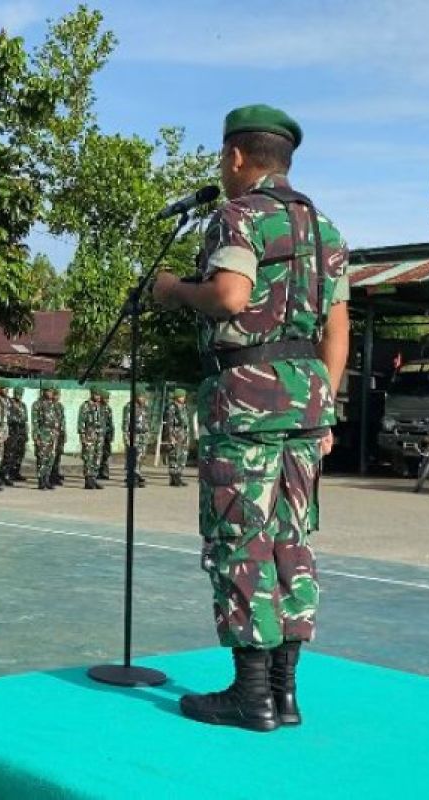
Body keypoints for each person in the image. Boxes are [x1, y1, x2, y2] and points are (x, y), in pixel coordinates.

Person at [152, 104, 350, 732]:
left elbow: (230, 297)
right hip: (306, 406)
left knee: (241, 539)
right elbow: (337, 331)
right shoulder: (328, 233)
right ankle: (286, 693)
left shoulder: (238, 215)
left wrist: (174, 291)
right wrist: (323, 409)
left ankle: (250, 694)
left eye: (221, 158)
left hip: (245, 401)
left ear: (236, 158)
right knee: (291, 540)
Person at [78, 387, 107, 490]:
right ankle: (88, 479)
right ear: (92, 394)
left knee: (97, 457)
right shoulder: (85, 406)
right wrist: (82, 435)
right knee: (88, 457)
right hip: (89, 434)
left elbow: (103, 421)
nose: (98, 397)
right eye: (96, 395)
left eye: (99, 395)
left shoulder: (101, 406)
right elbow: (81, 421)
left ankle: (94, 478)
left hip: (99, 435)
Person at [31, 383, 59, 491]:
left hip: (53, 434)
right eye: (48, 391)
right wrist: (36, 436)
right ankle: (41, 480)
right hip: (43, 433)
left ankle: (47, 479)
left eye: (52, 391)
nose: (50, 393)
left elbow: (58, 419)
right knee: (42, 458)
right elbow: (35, 421)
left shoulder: (54, 405)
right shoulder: (37, 404)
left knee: (51, 458)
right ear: (43, 392)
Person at [162, 389, 192, 487]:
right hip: (175, 434)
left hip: (184, 435)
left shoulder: (184, 407)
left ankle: (179, 475)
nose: (183, 398)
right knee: (174, 456)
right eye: (181, 396)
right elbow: (169, 423)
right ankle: (174, 477)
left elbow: (186, 421)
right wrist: (170, 437)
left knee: (183, 456)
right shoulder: (171, 407)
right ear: (177, 397)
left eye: (184, 396)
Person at [3, 384, 29, 484]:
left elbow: (25, 419)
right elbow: (9, 418)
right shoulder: (10, 403)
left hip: (21, 433)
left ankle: (16, 472)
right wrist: (18, 420)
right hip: (12, 432)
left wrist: (26, 434)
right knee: (9, 454)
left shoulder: (23, 405)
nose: (19, 395)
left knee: (20, 453)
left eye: (20, 394)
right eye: (17, 393)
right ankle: (6, 473)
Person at [122, 395, 149, 488]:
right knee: (133, 456)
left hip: (143, 435)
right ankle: (132, 478)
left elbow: (146, 421)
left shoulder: (145, 407)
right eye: (141, 396)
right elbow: (126, 422)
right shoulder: (129, 407)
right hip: (134, 434)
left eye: (144, 397)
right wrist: (126, 436)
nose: (143, 399)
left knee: (141, 456)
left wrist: (147, 433)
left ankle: (137, 475)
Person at [50, 385, 67, 486]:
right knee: (51, 455)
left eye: (58, 395)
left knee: (58, 455)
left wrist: (64, 433)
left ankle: (55, 473)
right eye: (55, 394)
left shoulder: (60, 406)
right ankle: (51, 475)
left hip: (60, 433)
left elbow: (63, 420)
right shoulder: (50, 406)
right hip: (52, 434)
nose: (57, 397)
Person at [98, 387, 115, 480]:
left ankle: (104, 472)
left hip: (106, 435)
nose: (107, 400)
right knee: (97, 454)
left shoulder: (108, 409)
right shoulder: (96, 408)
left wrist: (111, 434)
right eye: (105, 398)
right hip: (97, 435)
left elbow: (111, 423)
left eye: (108, 398)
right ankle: (96, 472)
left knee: (106, 454)